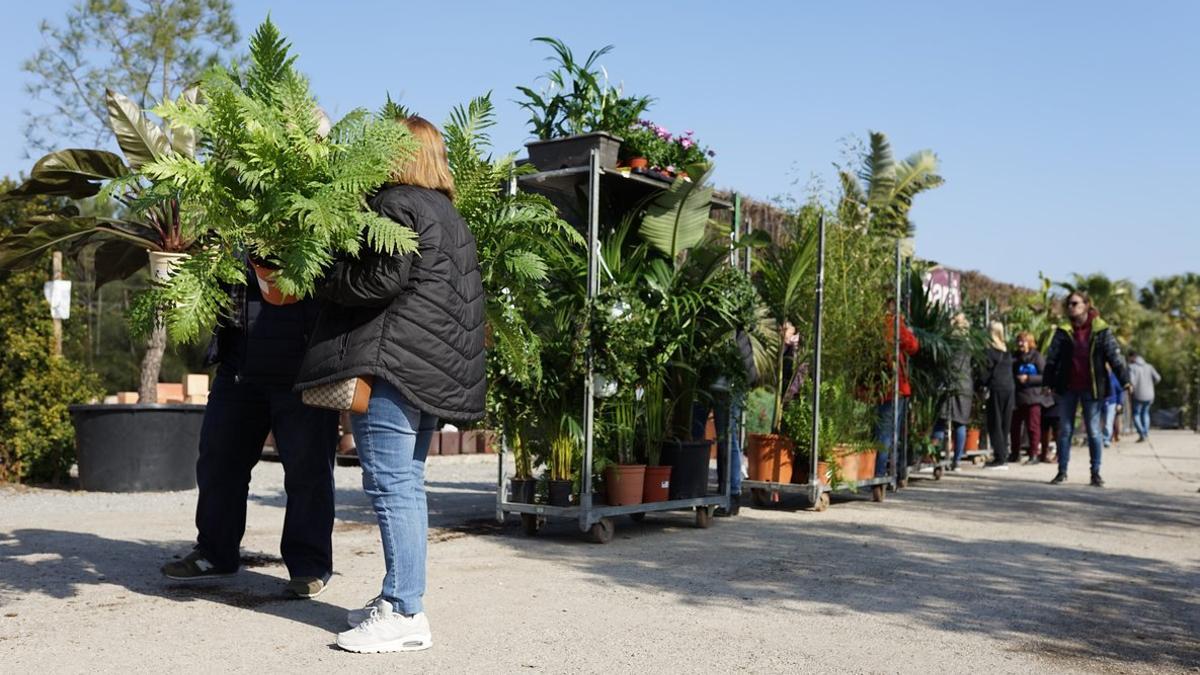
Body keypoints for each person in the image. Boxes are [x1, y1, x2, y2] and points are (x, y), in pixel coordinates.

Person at [295, 116, 485, 653]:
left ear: (397, 154)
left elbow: (382, 279)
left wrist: (324, 277)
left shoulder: (395, 203)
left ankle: (404, 611)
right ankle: (400, 597)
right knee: (408, 484)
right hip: (428, 368)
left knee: (391, 485)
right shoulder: (449, 214)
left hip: (392, 365)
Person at [161, 267, 340, 599]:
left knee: (308, 471)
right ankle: (215, 553)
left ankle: (310, 566)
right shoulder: (228, 224)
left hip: (303, 364)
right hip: (239, 363)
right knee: (218, 460)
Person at [1043, 291, 1130, 487]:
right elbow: (1052, 358)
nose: (1071, 307)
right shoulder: (1063, 330)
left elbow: (1114, 356)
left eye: (1075, 303)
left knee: (1093, 431)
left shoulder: (1100, 329)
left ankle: (1095, 472)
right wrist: (1048, 382)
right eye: (1069, 304)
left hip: (1092, 388)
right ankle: (1062, 471)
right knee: (1064, 430)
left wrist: (1125, 380)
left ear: (1086, 305)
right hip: (1067, 387)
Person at [875, 298, 919, 477]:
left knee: (878, 432)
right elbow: (914, 346)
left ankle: (876, 471)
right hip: (894, 387)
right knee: (888, 433)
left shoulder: (872, 325)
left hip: (875, 387)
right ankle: (882, 474)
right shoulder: (893, 325)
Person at [931, 313, 972, 471]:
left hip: (948, 384)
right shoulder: (969, 345)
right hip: (965, 385)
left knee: (941, 422)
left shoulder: (948, 343)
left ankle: (935, 459)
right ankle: (957, 460)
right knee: (960, 423)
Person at [979, 322, 1015, 469]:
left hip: (996, 388)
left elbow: (984, 374)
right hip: (1009, 388)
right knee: (1005, 423)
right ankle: (1003, 455)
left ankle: (999, 458)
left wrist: (980, 385)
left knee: (995, 422)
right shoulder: (1006, 351)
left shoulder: (989, 352)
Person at [1011, 331, 1051, 464]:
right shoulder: (1015, 358)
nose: (1020, 344)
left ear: (1030, 342)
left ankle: (1034, 454)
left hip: (1033, 397)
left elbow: (1045, 377)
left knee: (1033, 427)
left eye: (1023, 341)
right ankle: (1014, 453)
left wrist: (1029, 378)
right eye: (1018, 341)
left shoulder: (1037, 357)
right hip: (1018, 397)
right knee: (1015, 426)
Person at [1126, 350, 1161, 442]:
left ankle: (1142, 433)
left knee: (1136, 414)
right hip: (1150, 394)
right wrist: (1150, 384)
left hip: (1138, 394)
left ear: (1131, 357)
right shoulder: (1149, 366)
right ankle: (1145, 433)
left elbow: (1132, 382)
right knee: (1145, 413)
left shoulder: (1131, 367)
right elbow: (1158, 378)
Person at [1102, 365, 1122, 447]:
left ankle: (1106, 439)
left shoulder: (1114, 378)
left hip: (1112, 403)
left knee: (1108, 422)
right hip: (1100, 403)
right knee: (1100, 422)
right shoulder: (1100, 377)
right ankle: (1100, 439)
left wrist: (1119, 403)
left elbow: (1119, 391)